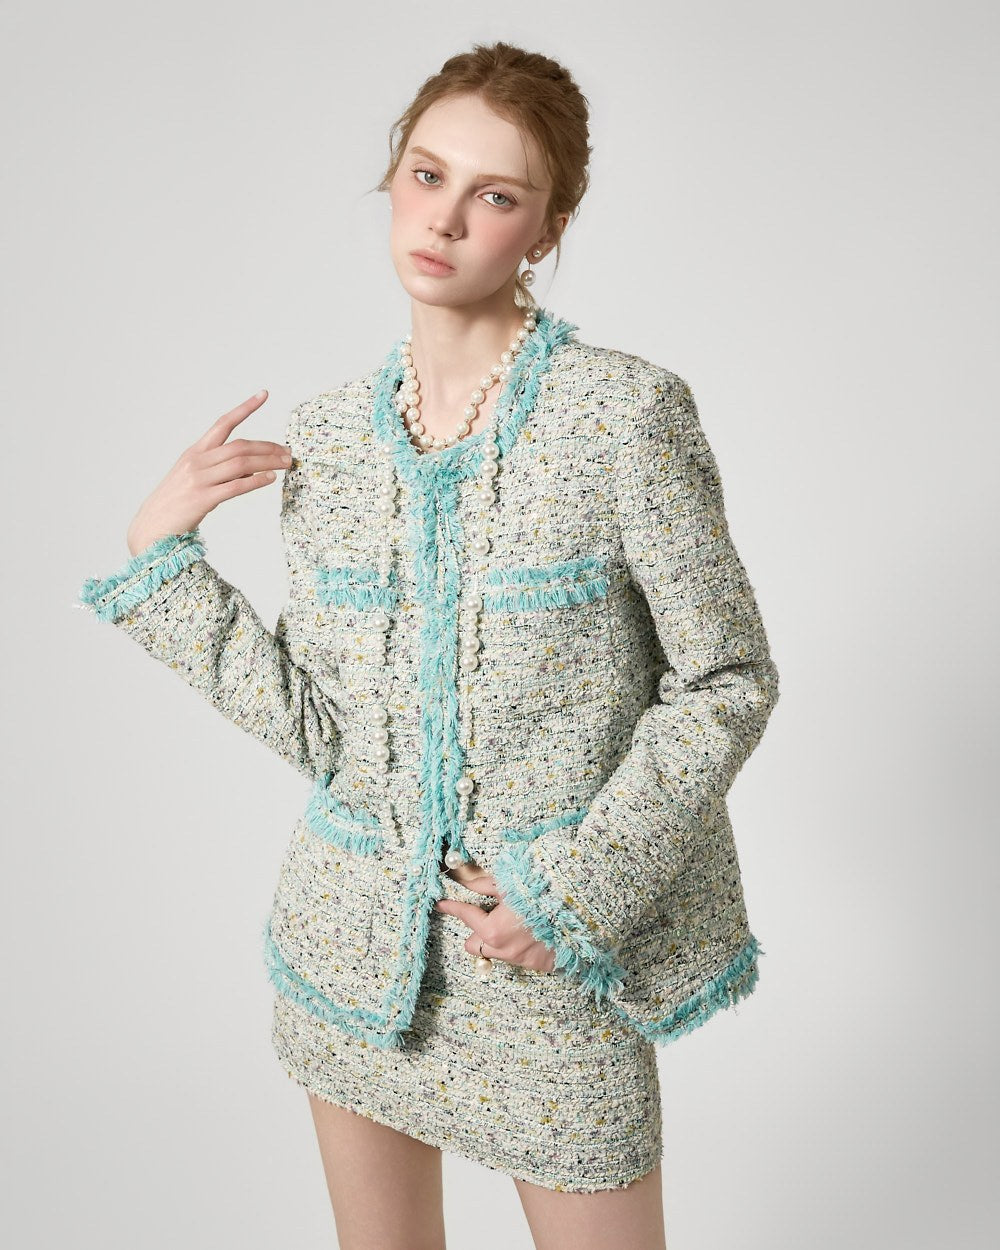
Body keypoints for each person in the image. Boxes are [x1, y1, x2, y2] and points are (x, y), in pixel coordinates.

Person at [78, 41, 780, 1250]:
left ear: (547, 228)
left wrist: (571, 894)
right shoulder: (331, 440)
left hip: (548, 965)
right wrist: (162, 560)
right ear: (394, 178)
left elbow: (727, 678)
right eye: (426, 173)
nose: (445, 218)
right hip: (349, 957)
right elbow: (329, 733)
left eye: (494, 194)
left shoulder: (623, 413)